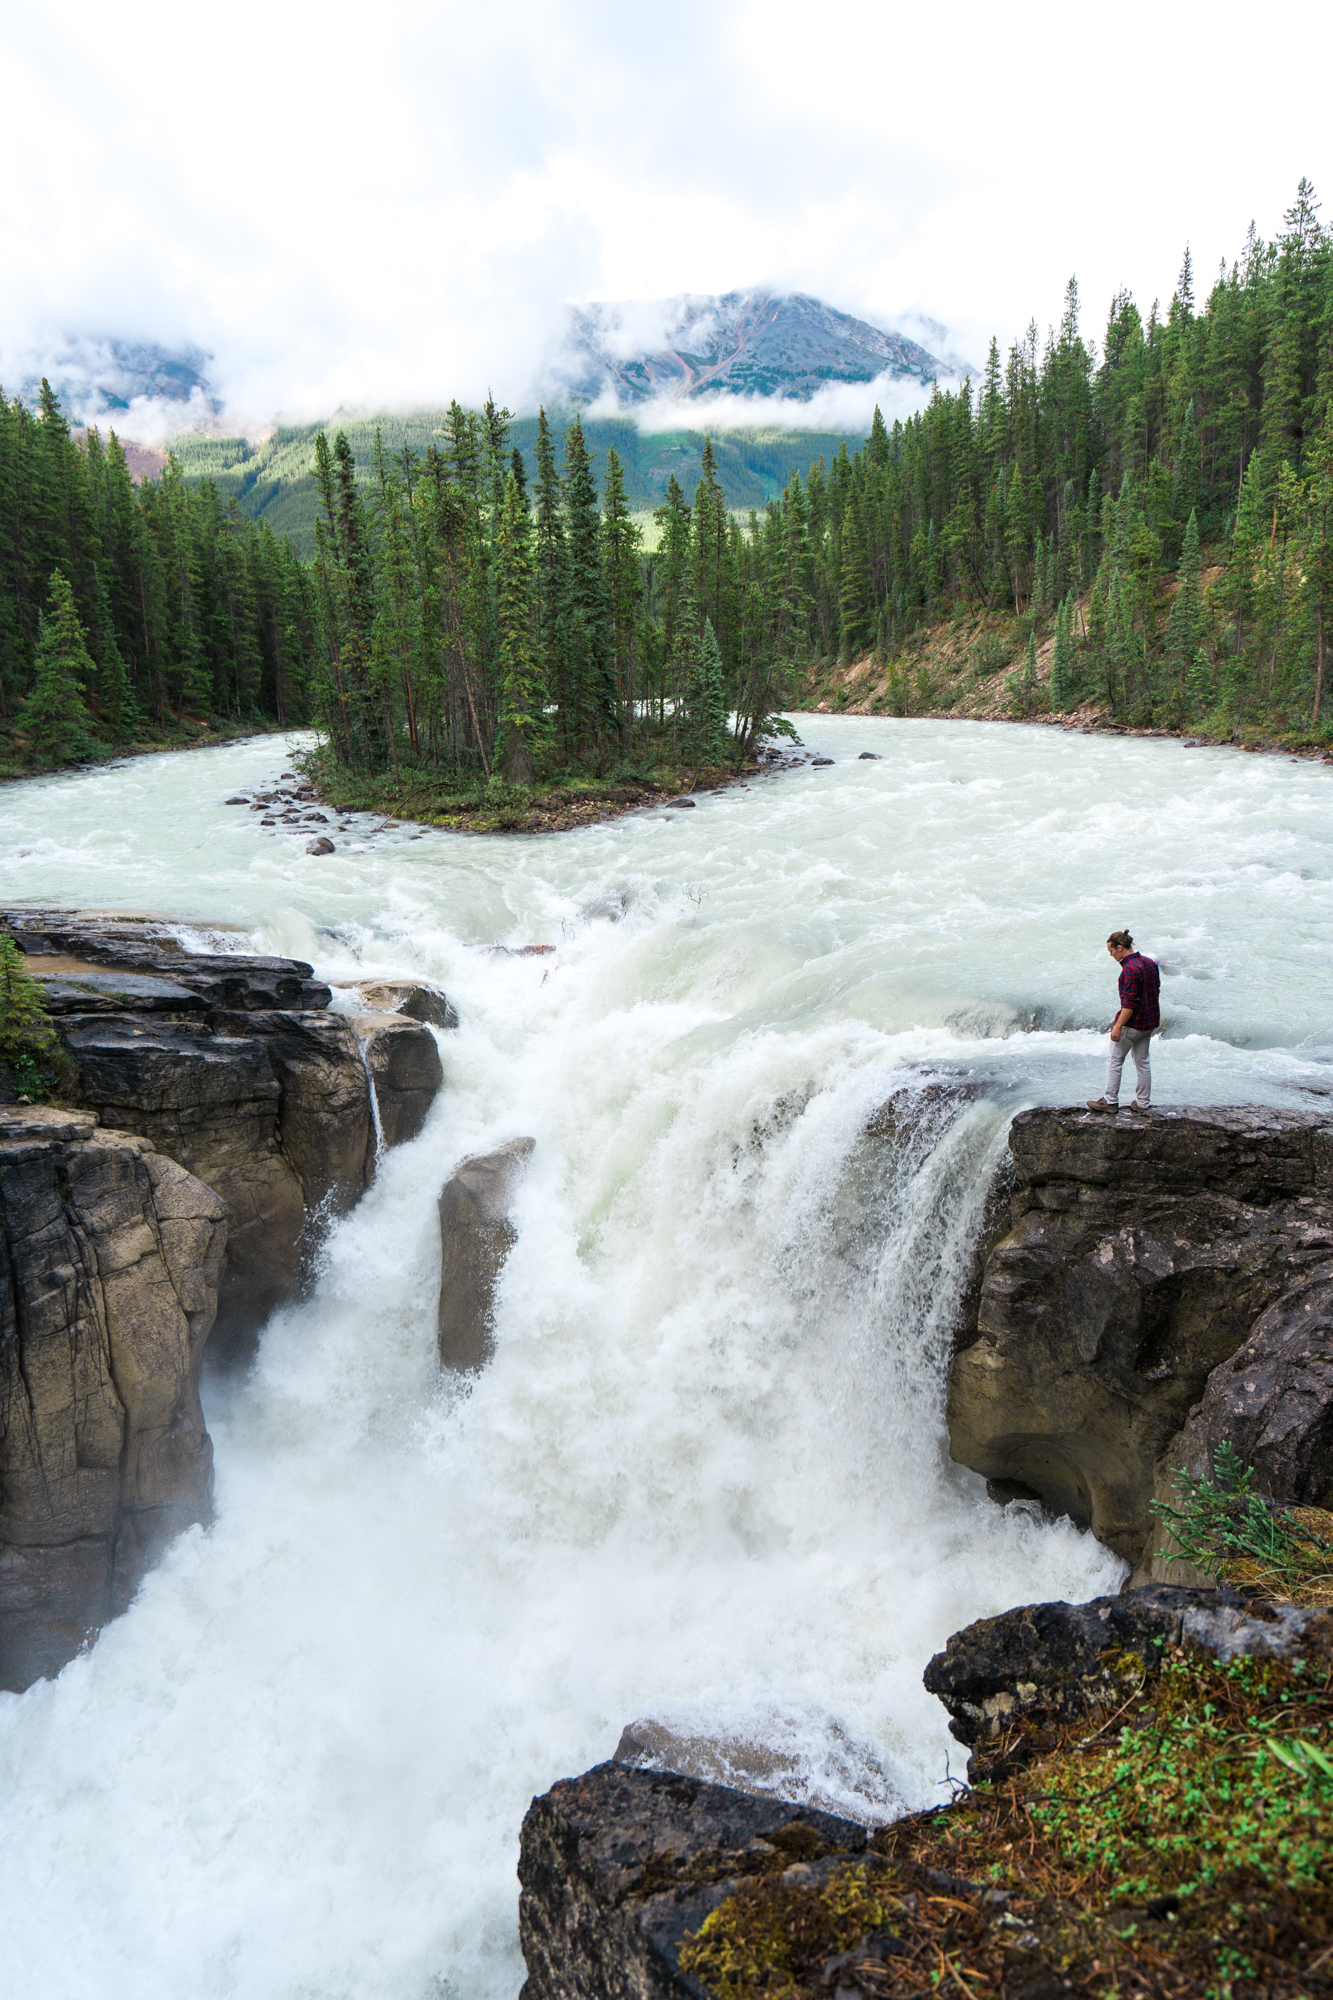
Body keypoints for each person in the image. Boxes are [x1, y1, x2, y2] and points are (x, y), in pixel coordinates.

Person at [1087, 930, 1160, 1114]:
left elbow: (1129, 1004)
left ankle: (1110, 1101)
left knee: (1114, 1061)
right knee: (1142, 1062)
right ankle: (1143, 1103)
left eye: (1111, 952)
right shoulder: (1149, 963)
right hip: (1149, 1021)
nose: (1111, 955)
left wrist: (1118, 1026)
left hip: (1132, 1024)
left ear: (1120, 948)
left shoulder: (1129, 970)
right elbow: (1155, 990)